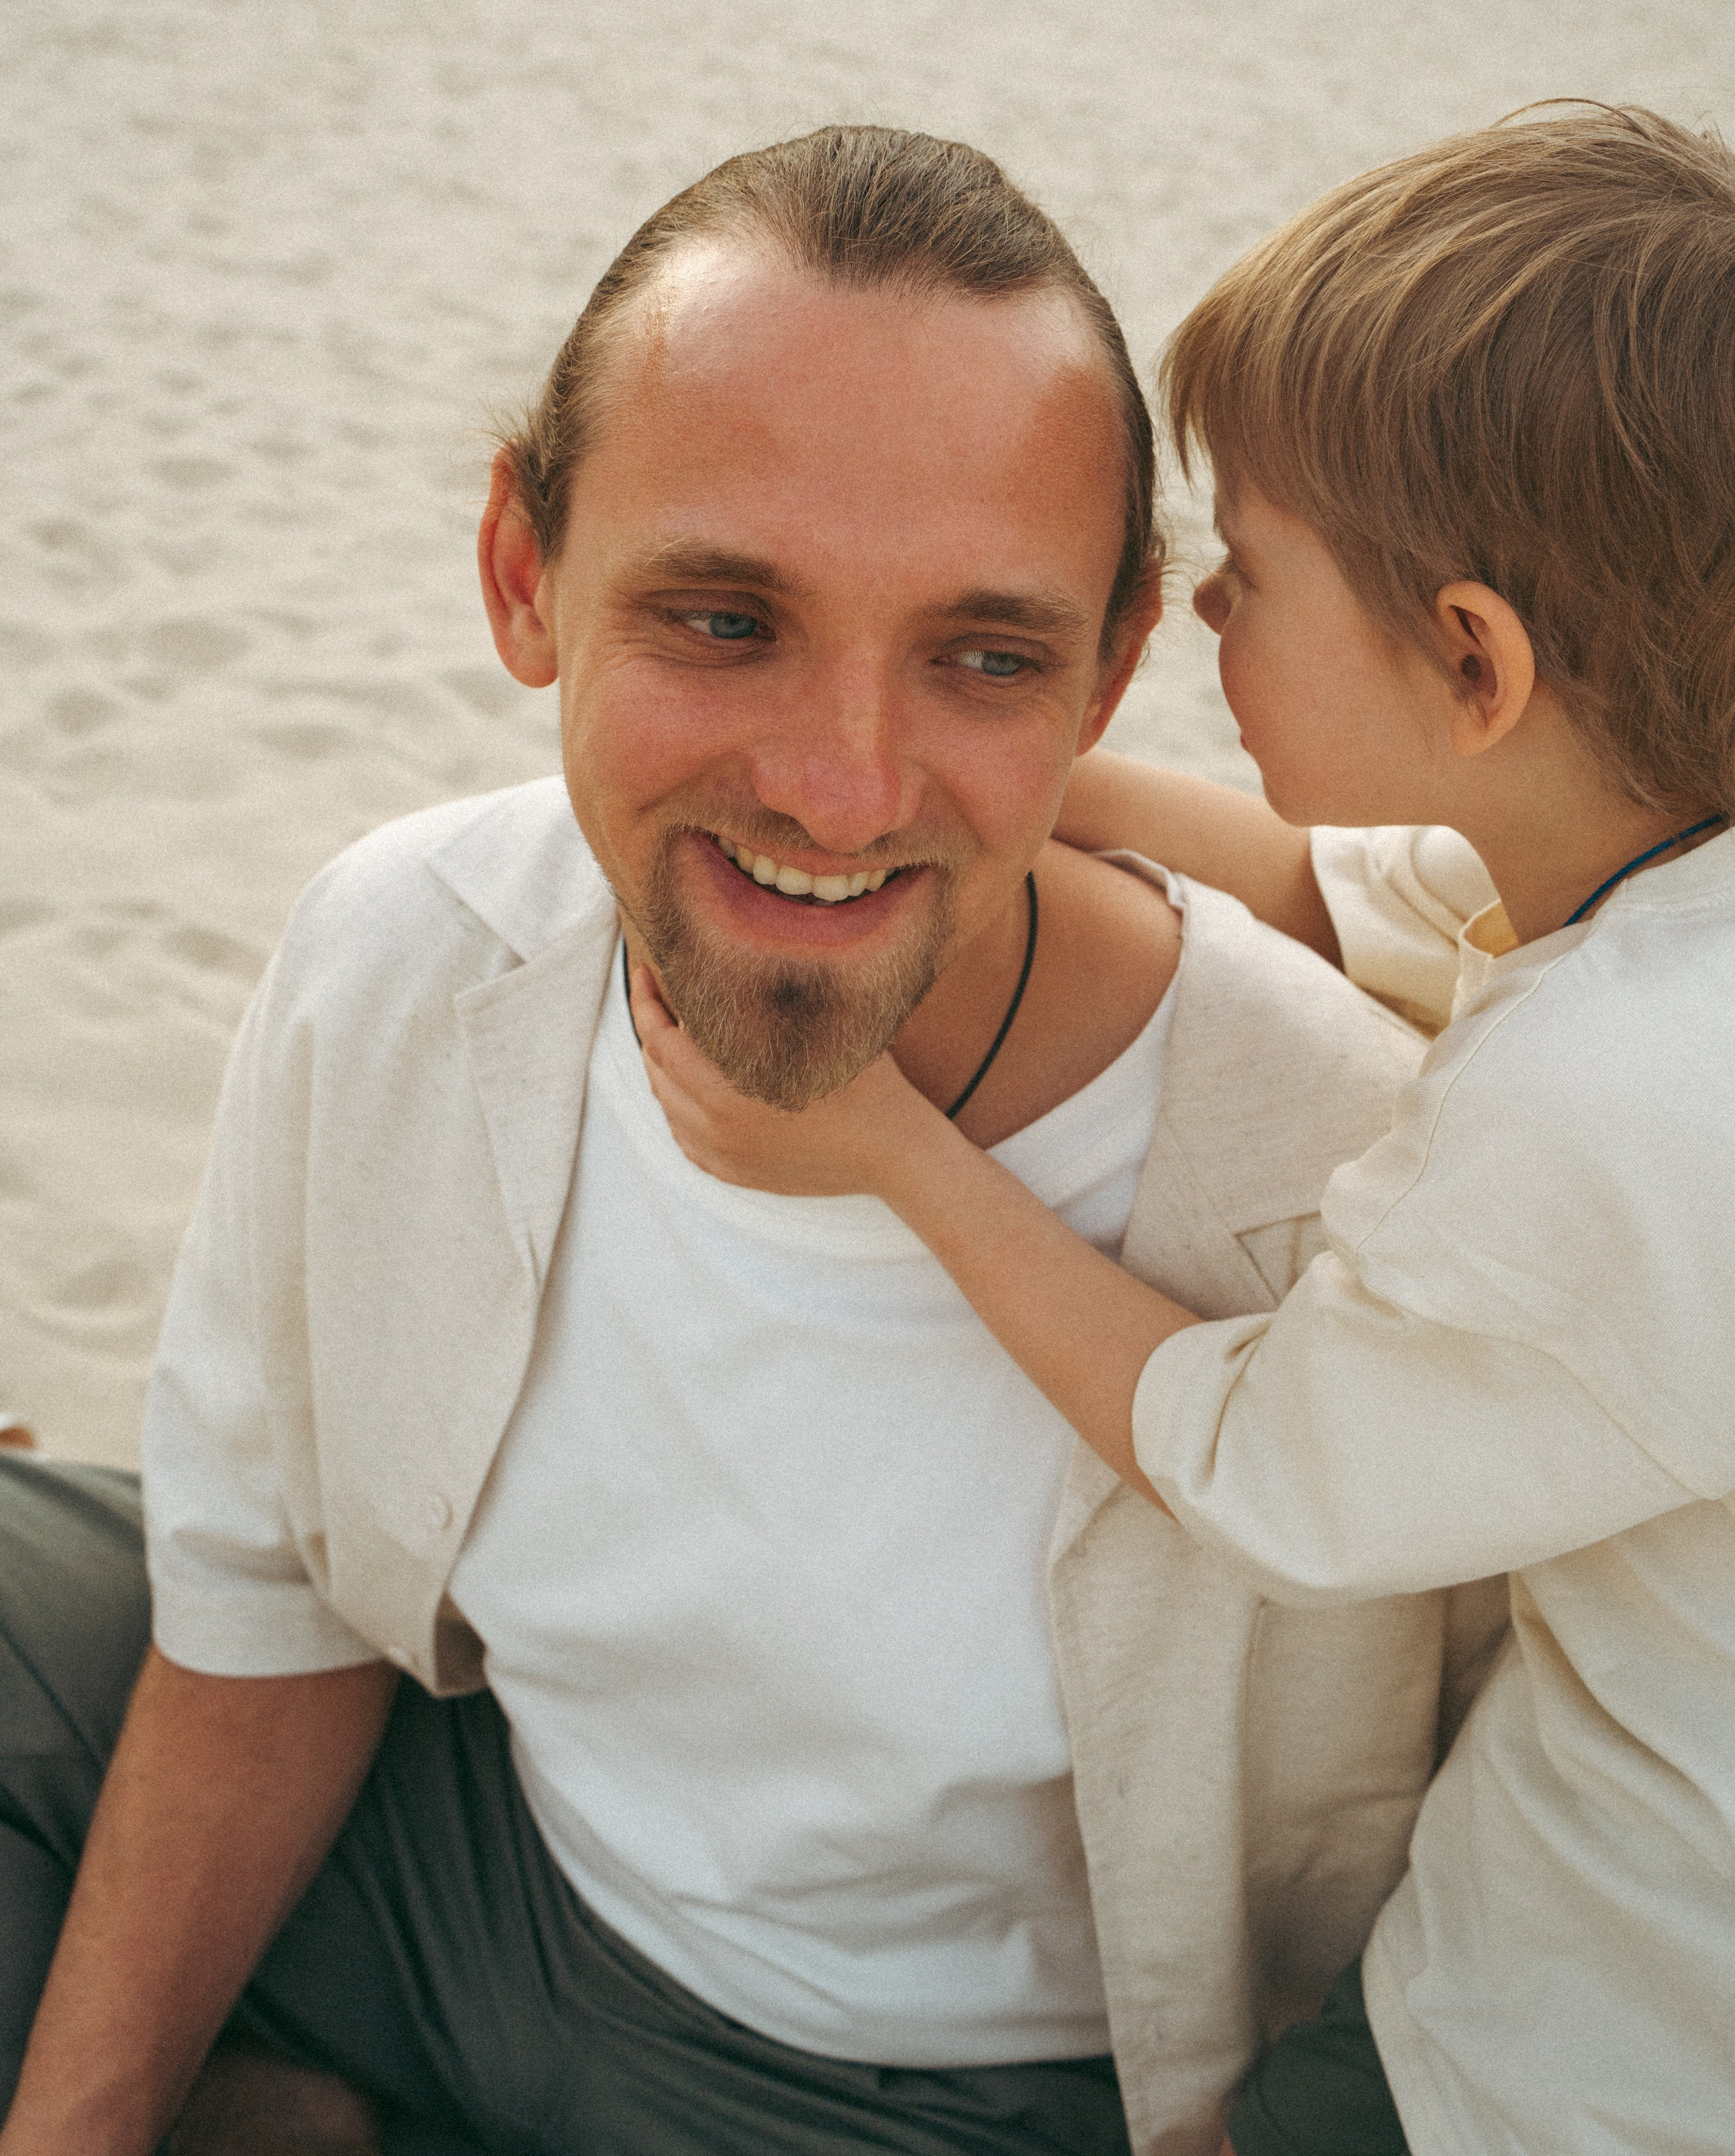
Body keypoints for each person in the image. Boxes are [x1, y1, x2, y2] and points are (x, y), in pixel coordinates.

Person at [0, 127, 1501, 2156]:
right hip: (479, 1868)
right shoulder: (412, 949)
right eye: (723, 619)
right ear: (526, 578)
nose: (840, 785)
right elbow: (268, 1611)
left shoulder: (1346, 1169)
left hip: (964, 2096)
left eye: (983, 657)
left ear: (1112, 671)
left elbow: (1517, 1889)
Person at [636, 106, 1735, 2156]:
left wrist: (898, 1157)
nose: (1206, 612)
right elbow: (1336, 891)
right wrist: (994, 766)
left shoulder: (1598, 1107)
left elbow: (1259, 1461)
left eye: (1251, 575)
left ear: (1474, 663)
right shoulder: (1653, 859)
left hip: (1597, 2050)